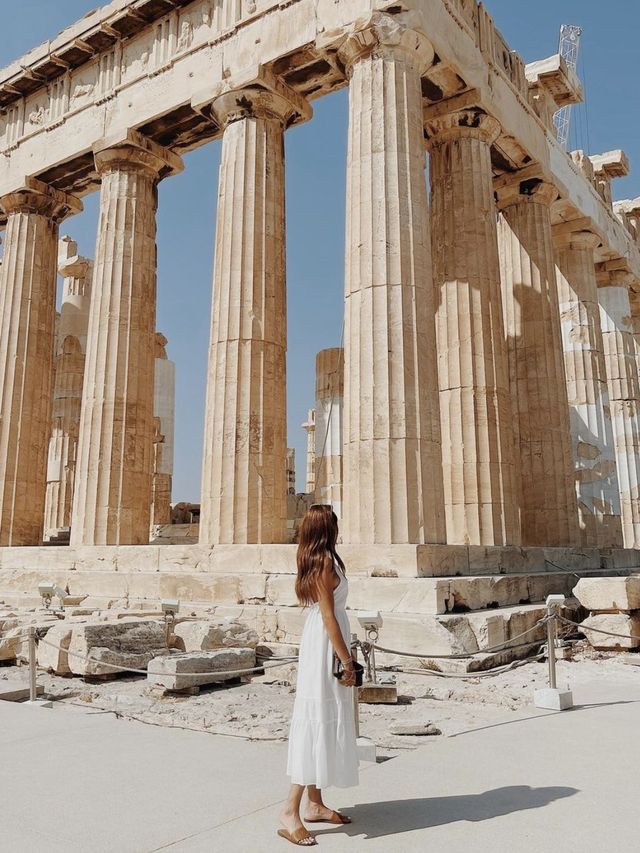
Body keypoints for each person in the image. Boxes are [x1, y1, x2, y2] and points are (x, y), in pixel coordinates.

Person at [278, 504, 359, 846]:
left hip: (325, 640)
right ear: (328, 528)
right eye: (335, 523)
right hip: (326, 644)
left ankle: (315, 803)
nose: (339, 527)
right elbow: (328, 617)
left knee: (323, 717)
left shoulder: (323, 559)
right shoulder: (324, 563)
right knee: (315, 721)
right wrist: (348, 661)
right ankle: (290, 810)